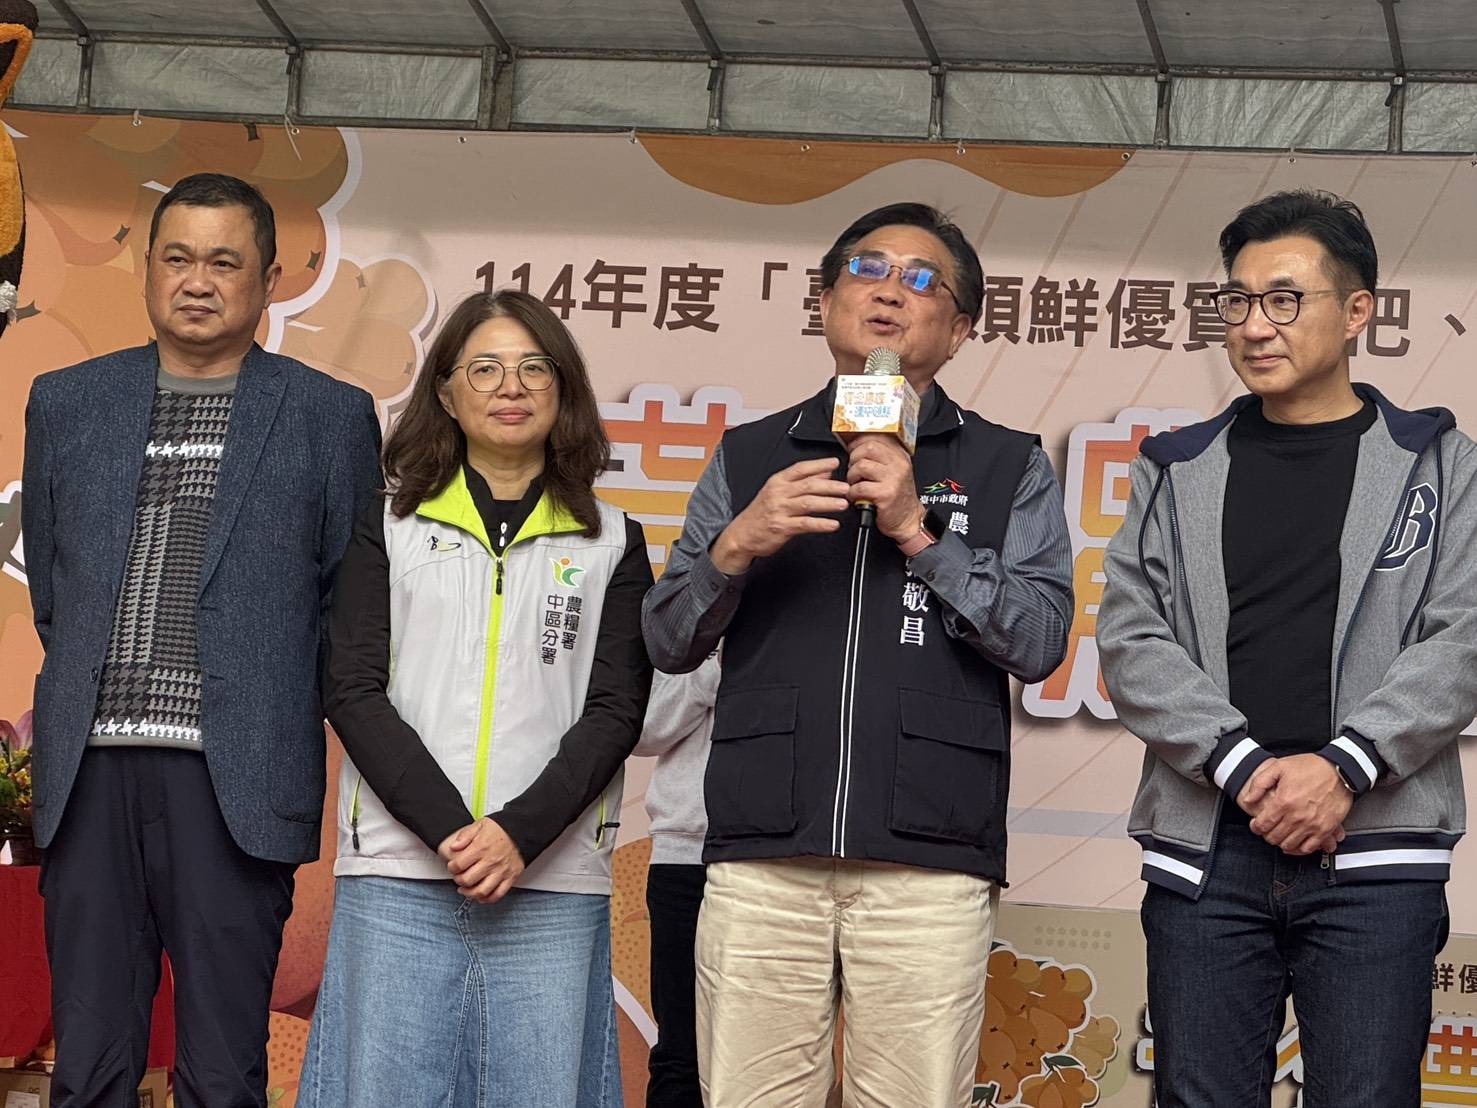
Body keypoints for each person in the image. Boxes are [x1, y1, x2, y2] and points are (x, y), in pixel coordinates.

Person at [642, 201, 1073, 1107]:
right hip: (764, 854)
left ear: (959, 330)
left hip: (927, 860)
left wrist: (919, 531)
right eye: (867, 269)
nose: (888, 292)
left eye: (921, 280)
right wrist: (735, 546)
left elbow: (1038, 641)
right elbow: (668, 639)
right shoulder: (750, 456)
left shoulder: (1006, 464)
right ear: (824, 302)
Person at [1098, 189, 1477, 1107]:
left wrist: (1342, 769)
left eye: (1282, 299)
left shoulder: (1439, 461)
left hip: (1374, 849)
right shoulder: (1174, 466)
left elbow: (1462, 634)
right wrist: (1245, 770)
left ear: (1356, 312)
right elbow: (1130, 637)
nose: (1253, 325)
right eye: (1236, 300)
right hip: (1209, 851)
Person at [21, 172, 381, 1107]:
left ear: (267, 282)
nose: (197, 281)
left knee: (222, 1073)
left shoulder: (328, 414)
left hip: (237, 782)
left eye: (225, 262)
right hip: (90, 776)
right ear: (147, 269)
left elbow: (347, 604)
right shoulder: (66, 401)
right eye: (177, 258)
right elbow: (56, 595)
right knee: (88, 1067)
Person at [299, 289, 654, 1108]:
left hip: (552, 877)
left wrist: (516, 836)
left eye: (534, 367)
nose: (511, 386)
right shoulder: (389, 525)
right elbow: (352, 688)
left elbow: (614, 711)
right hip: (399, 869)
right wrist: (455, 834)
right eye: (485, 368)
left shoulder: (611, 538)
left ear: (563, 390)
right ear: (447, 393)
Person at [637, 652, 720, 1108]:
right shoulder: (678, 616)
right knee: (680, 1049)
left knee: (783, 1050)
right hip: (685, 854)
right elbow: (643, 728)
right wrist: (715, 660)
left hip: (782, 856)